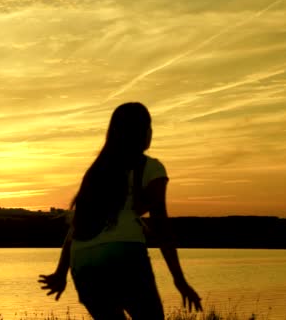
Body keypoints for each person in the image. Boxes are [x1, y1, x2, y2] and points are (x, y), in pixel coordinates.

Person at [39, 102, 202, 319]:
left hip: (84, 262)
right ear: (142, 132)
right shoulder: (150, 167)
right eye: (148, 127)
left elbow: (78, 226)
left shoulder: (96, 172)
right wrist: (180, 281)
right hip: (125, 255)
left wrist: (61, 273)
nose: (151, 132)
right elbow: (161, 226)